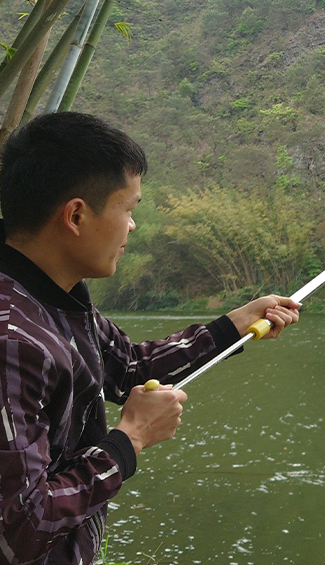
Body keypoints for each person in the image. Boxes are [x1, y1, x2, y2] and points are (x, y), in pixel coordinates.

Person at [0, 112, 300, 565]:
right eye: (129, 209)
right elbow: (19, 529)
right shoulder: (12, 340)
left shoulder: (54, 296)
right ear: (77, 215)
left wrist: (233, 325)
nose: (133, 227)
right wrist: (129, 440)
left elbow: (129, 369)